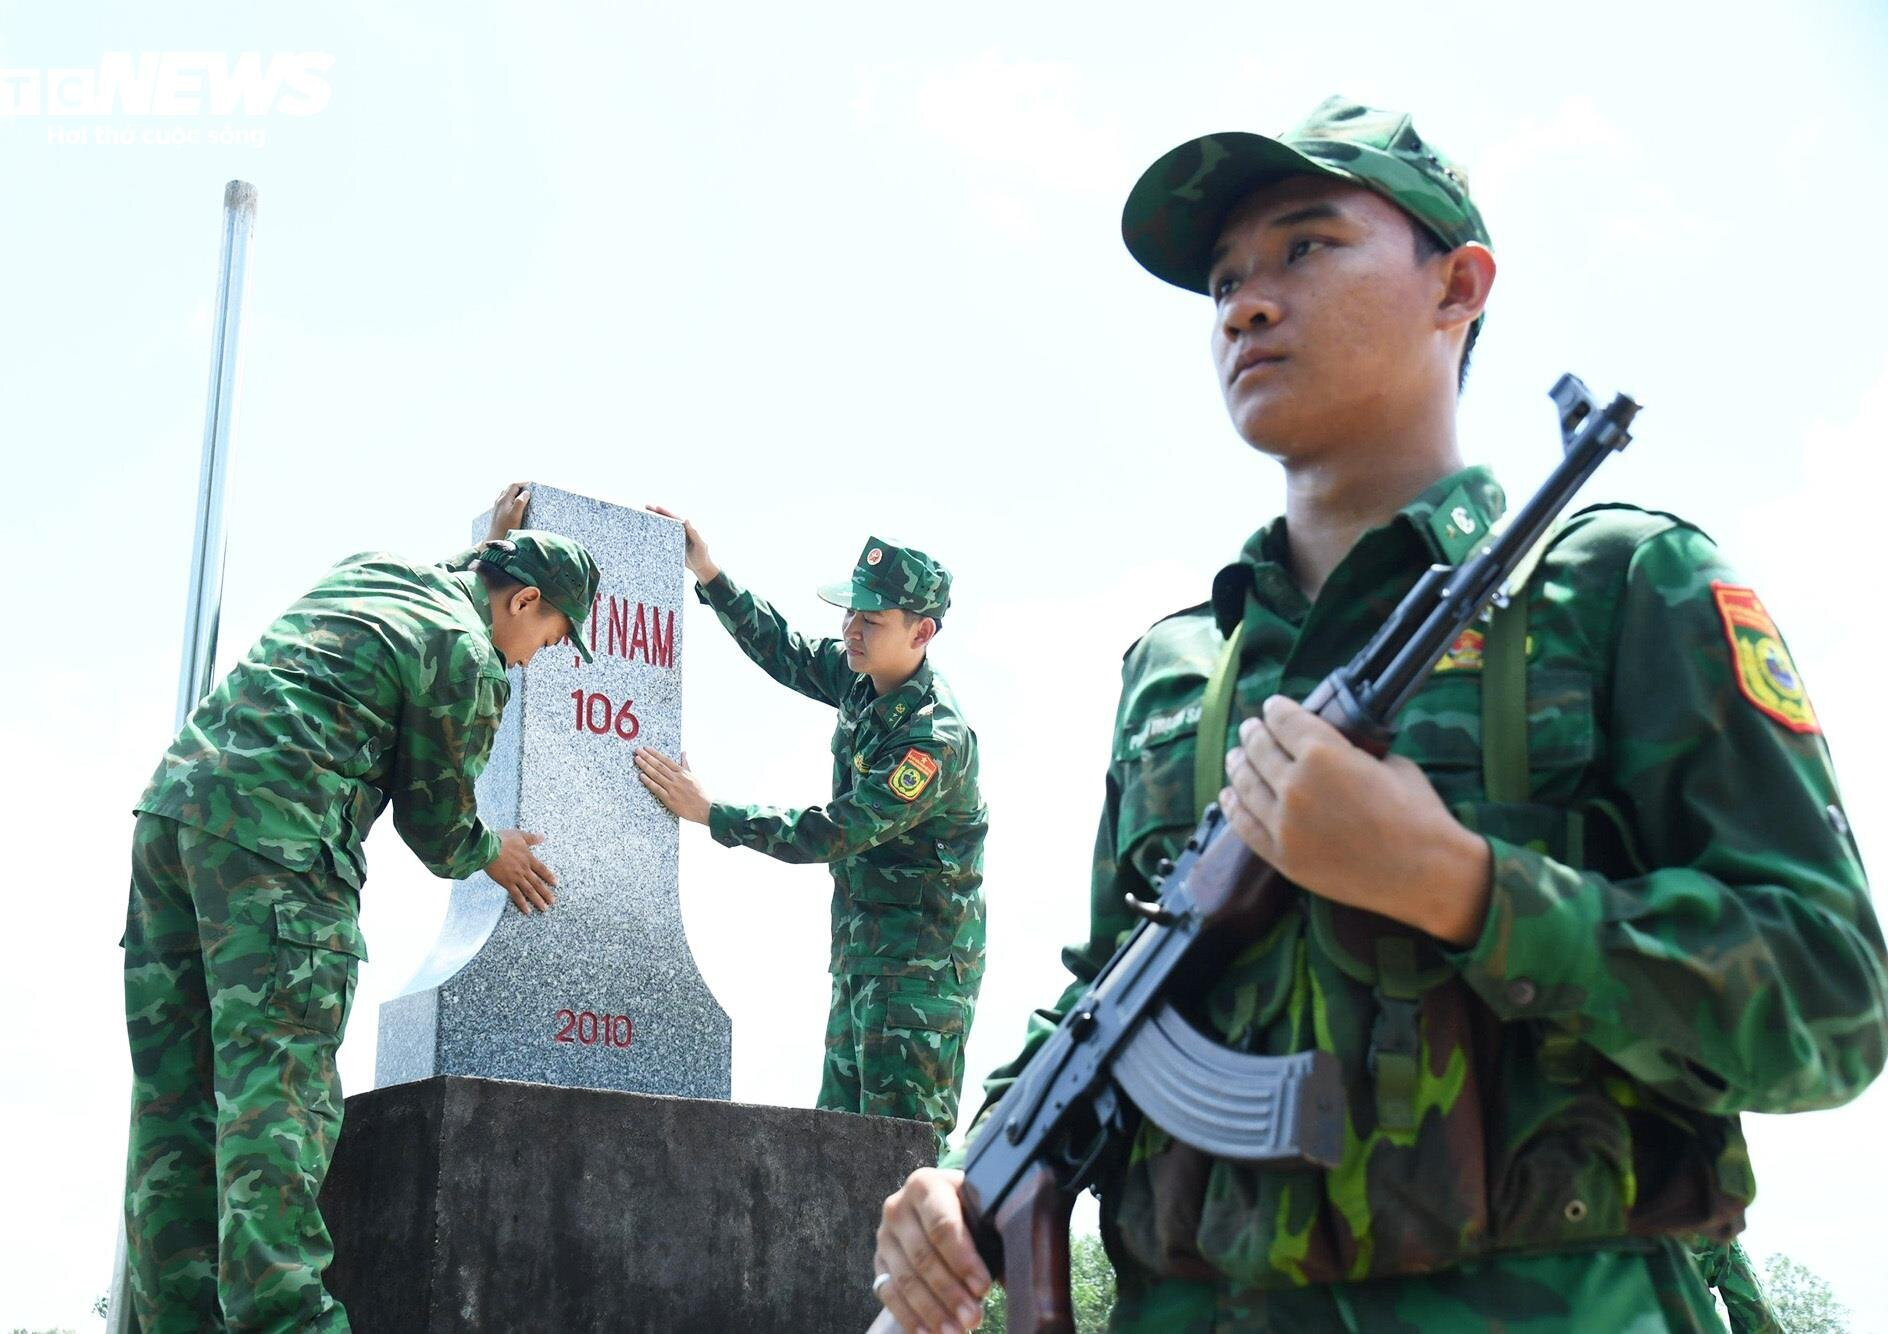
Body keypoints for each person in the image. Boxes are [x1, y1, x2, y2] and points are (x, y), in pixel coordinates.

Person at [871, 96, 1886, 1333]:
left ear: (1457, 284)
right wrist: (970, 1166)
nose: (1246, 302)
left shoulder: (1619, 588)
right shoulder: (1176, 667)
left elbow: (1831, 999)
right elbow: (1109, 980)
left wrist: (1461, 883)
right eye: (1223, 281)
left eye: (1305, 247)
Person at [121, 482, 597, 1330]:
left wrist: (489, 541)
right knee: (278, 1113)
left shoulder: (377, 569)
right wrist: (496, 851)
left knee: (176, 1113)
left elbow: (454, 583)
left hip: (172, 822)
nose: (537, 659)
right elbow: (438, 825)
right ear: (522, 600)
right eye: (553, 636)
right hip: (280, 854)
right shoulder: (469, 655)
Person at [634, 509, 986, 1155]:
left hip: (918, 979)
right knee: (840, 1153)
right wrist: (708, 572)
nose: (852, 629)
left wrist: (712, 813)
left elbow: (836, 833)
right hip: (860, 960)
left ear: (923, 632)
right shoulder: (862, 682)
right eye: (851, 613)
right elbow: (786, 652)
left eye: (872, 620)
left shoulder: (931, 741)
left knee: (900, 1157)